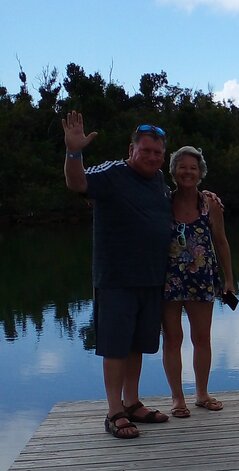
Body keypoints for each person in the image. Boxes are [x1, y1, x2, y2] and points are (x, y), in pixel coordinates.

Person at [62, 112, 172, 439]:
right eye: (146, 150)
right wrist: (73, 152)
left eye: (158, 152)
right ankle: (113, 412)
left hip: (151, 278)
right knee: (115, 347)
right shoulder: (112, 173)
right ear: (131, 149)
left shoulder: (159, 181)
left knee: (137, 345)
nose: (152, 157)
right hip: (116, 279)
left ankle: (132, 402)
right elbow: (77, 183)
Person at [162, 146, 235, 418]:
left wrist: (229, 279)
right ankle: (177, 398)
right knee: (172, 339)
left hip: (202, 277)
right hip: (169, 278)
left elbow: (221, 242)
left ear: (200, 172)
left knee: (202, 338)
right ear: (173, 171)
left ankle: (202, 394)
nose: (188, 172)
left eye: (193, 167)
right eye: (182, 166)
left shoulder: (210, 204)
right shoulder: (163, 201)